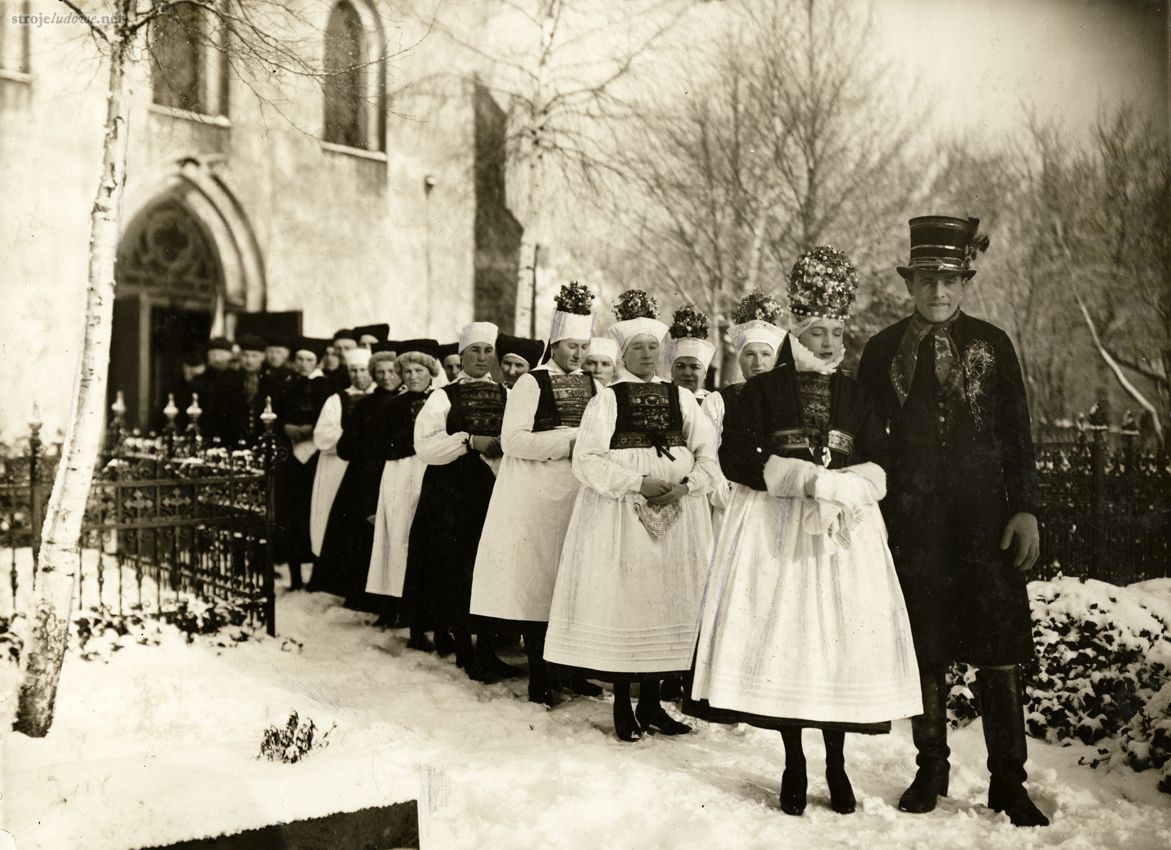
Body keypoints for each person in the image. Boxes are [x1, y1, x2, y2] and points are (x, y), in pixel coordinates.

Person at [687, 246, 922, 817]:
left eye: (834, 332)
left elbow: (881, 461)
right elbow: (737, 457)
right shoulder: (762, 392)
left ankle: (836, 764)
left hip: (842, 535)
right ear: (796, 330)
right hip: (776, 532)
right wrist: (796, 479)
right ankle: (794, 760)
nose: (826, 342)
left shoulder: (858, 394)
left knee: (836, 645)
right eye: (816, 331)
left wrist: (849, 486)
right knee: (791, 644)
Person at [857, 216, 1047, 827]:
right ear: (909, 284)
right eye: (927, 281)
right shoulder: (883, 350)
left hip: (985, 525)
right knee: (926, 649)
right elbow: (866, 441)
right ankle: (930, 768)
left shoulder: (993, 345)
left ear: (966, 281)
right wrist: (875, 515)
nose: (939, 292)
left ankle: (1009, 783)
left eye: (951, 280)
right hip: (914, 528)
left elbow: (1017, 435)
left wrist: (1025, 509)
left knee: (997, 649)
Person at [544, 290, 718, 741]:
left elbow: (708, 453)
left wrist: (686, 485)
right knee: (628, 603)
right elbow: (588, 459)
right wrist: (638, 483)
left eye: (652, 347)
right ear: (622, 353)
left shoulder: (682, 397)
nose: (646, 355)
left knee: (665, 601)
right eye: (636, 347)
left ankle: (654, 704)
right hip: (621, 518)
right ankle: (623, 703)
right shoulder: (607, 399)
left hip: (678, 517)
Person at [469, 283, 599, 705]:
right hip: (534, 496)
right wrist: (569, 442)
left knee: (571, 580)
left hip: (577, 492)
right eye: (570, 346)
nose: (577, 355)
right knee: (538, 583)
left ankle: (570, 670)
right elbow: (514, 441)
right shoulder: (531, 382)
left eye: (583, 346)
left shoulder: (595, 387)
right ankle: (540, 675)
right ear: (554, 344)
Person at [402, 322, 509, 678]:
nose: (481, 357)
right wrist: (468, 441)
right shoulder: (444, 396)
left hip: (498, 488)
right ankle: (466, 650)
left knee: (490, 566)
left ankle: (489, 649)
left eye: (488, 351)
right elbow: (426, 446)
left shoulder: (508, 394)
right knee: (458, 567)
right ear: (461, 356)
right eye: (474, 351)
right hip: (453, 491)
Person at [365, 340, 444, 632]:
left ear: (430, 372)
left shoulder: (440, 400)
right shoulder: (392, 405)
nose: (412, 376)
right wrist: (405, 445)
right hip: (398, 473)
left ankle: (426, 614)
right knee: (397, 534)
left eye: (419, 370)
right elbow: (377, 444)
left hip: (428, 470)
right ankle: (395, 606)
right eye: (407, 370)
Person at [315, 349, 401, 608]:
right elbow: (345, 447)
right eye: (380, 372)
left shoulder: (408, 401)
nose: (386, 378)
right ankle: (366, 597)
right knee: (365, 534)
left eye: (391, 372)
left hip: (398, 475)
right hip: (366, 477)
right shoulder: (365, 405)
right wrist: (371, 450)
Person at [701, 292, 786, 522]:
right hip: (734, 505)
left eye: (765, 354)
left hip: (778, 502)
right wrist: (724, 493)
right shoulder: (719, 401)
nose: (758, 363)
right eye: (750, 354)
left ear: (774, 358)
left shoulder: (788, 399)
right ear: (739, 359)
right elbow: (706, 454)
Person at [272, 339, 331, 588]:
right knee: (291, 512)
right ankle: (295, 575)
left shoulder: (327, 385)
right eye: (300, 359)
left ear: (317, 361)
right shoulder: (286, 384)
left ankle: (317, 575)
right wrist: (285, 427)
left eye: (309, 360)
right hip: (291, 454)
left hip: (317, 454)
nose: (304, 364)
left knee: (315, 511)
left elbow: (330, 416)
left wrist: (311, 429)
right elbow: (275, 412)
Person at [308, 346, 375, 566]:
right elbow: (323, 434)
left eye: (363, 370)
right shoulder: (338, 399)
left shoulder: (379, 397)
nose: (359, 375)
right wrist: (354, 438)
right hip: (338, 465)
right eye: (354, 370)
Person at [224, 334, 268, 446]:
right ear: (239, 356)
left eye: (254, 356)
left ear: (263, 357)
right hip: (234, 441)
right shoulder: (228, 381)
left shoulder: (271, 382)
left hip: (262, 440)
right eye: (245, 355)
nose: (249, 361)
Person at [667, 305, 716, 400]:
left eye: (695, 367)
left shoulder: (713, 403)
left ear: (705, 373)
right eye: (680, 366)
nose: (687, 373)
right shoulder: (663, 400)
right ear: (672, 370)